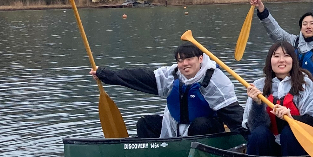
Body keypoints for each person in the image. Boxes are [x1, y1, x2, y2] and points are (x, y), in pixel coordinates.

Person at [92, 43, 243, 139]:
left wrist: (249, 137)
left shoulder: (214, 80)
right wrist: (105, 75)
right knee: (145, 124)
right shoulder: (172, 75)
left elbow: (233, 114)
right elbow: (139, 77)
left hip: (209, 130)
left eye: (189, 59)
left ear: (200, 58)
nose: (184, 64)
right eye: (180, 60)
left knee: (200, 124)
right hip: (176, 127)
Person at [243, 40, 313, 157]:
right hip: (269, 146)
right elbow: (252, 127)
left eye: (286, 56)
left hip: (297, 146)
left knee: (289, 132)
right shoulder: (259, 86)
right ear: (270, 61)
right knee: (259, 134)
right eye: (276, 56)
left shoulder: (306, 85)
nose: (281, 60)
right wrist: (257, 105)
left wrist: (292, 118)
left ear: (293, 60)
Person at [249, 0, 313, 79]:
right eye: (305, 24)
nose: (308, 26)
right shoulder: (293, 42)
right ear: (301, 28)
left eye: (312, 23)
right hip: (294, 90)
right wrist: (261, 8)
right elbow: (275, 31)